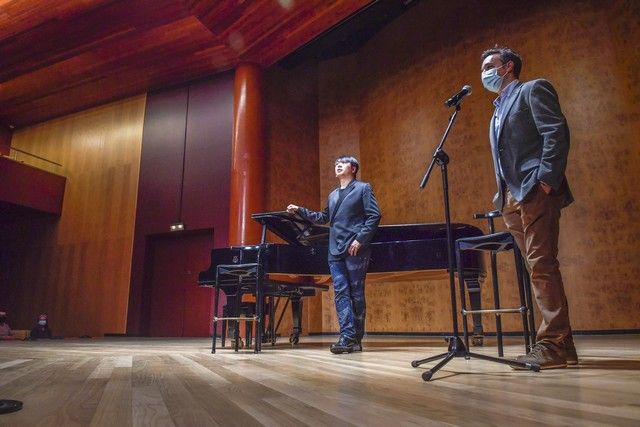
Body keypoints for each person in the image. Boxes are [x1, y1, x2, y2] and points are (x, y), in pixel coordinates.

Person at [480, 46, 577, 369]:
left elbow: (555, 131)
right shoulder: (495, 110)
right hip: (510, 197)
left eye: (489, 66)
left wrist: (545, 180)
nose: (484, 74)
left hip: (535, 190)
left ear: (508, 67)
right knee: (537, 267)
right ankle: (565, 345)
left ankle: (551, 345)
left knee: (541, 265)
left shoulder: (533, 89)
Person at [287, 155, 381, 354]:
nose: (337, 165)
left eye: (343, 162)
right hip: (334, 250)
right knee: (340, 293)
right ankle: (346, 337)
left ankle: (356, 339)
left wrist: (360, 239)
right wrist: (299, 211)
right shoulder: (332, 195)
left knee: (356, 294)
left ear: (353, 168)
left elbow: (374, 215)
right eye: (336, 163)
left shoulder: (363, 188)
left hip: (355, 248)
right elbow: (323, 217)